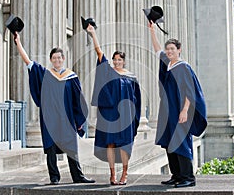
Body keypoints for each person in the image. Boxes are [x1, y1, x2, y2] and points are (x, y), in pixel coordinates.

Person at [14, 32, 95, 185]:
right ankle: (54, 177)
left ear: (63, 59)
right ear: (51, 60)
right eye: (54, 58)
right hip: (50, 117)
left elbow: (78, 100)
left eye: (59, 58)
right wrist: (18, 43)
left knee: (71, 146)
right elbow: (29, 63)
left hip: (67, 117)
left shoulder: (71, 77)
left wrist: (79, 120)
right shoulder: (45, 74)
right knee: (50, 146)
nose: (57, 60)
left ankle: (78, 176)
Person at [148, 21, 207, 188]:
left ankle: (188, 177)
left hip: (180, 111)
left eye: (172, 49)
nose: (169, 51)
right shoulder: (168, 65)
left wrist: (185, 111)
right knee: (169, 142)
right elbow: (157, 49)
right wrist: (152, 31)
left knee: (181, 142)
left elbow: (190, 91)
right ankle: (176, 175)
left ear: (179, 50)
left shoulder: (183, 67)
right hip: (168, 110)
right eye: (168, 49)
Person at [86, 25, 141, 185]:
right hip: (110, 115)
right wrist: (93, 33)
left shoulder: (131, 77)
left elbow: (136, 100)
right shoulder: (109, 71)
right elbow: (99, 52)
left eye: (119, 59)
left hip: (126, 115)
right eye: (115, 59)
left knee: (124, 145)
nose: (117, 61)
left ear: (124, 61)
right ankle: (112, 174)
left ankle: (124, 173)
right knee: (110, 143)